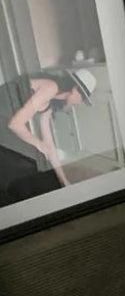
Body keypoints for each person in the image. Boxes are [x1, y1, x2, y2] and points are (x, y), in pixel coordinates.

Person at [0, 67, 96, 203]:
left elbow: (50, 145)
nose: (80, 103)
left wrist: (64, 181)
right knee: (23, 167)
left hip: (7, 122)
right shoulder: (50, 88)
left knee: (35, 167)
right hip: (5, 117)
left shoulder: (51, 104)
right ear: (75, 89)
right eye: (83, 98)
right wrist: (39, 144)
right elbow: (15, 124)